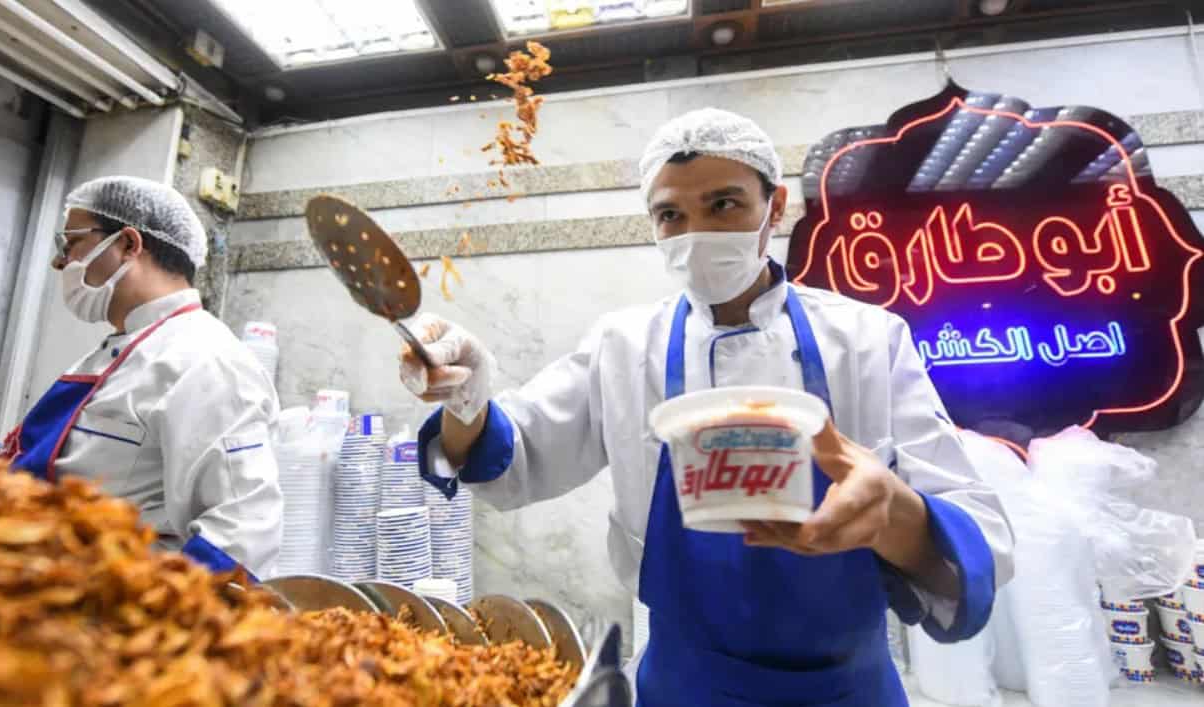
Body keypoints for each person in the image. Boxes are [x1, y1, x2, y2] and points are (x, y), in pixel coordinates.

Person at [399, 108, 1014, 705]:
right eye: (671, 214)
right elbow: (513, 457)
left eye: (723, 204)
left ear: (775, 207)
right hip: (685, 683)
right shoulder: (623, 346)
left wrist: (894, 515)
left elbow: (980, 535)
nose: (697, 233)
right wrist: (465, 399)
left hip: (846, 684)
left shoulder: (868, 339)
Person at [0, 176, 282, 578]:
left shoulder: (207, 361)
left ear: (127, 245)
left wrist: (144, 618)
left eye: (71, 242)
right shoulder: (112, 354)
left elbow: (242, 531)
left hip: (100, 617)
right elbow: (54, 469)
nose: (60, 261)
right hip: (35, 591)